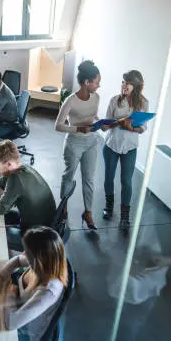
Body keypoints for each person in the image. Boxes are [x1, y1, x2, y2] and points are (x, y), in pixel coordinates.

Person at [0, 226, 68, 341]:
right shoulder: (44, 265)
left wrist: (10, 295)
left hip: (24, 333)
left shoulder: (48, 291)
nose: (23, 254)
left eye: (27, 252)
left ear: (39, 259)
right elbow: (17, 260)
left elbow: (11, 323)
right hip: (15, 308)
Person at [55, 60, 102, 230]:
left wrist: (101, 123)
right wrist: (78, 128)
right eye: (96, 82)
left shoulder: (96, 97)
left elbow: (93, 116)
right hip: (74, 143)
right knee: (69, 175)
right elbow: (58, 125)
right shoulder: (70, 101)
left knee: (89, 179)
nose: (98, 86)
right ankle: (63, 209)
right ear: (86, 82)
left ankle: (88, 212)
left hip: (91, 141)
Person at [0, 140, 56, 249]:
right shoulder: (24, 168)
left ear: (8, 164)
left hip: (36, 235)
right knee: (1, 217)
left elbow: (2, 209)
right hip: (45, 224)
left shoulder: (16, 178)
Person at [102, 70, 149, 229]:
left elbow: (143, 128)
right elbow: (106, 125)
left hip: (130, 147)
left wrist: (131, 128)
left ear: (135, 86)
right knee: (109, 178)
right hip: (111, 144)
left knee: (126, 182)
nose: (123, 85)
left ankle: (125, 216)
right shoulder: (114, 100)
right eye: (123, 82)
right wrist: (112, 124)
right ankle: (109, 207)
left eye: (127, 82)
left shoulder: (143, 103)